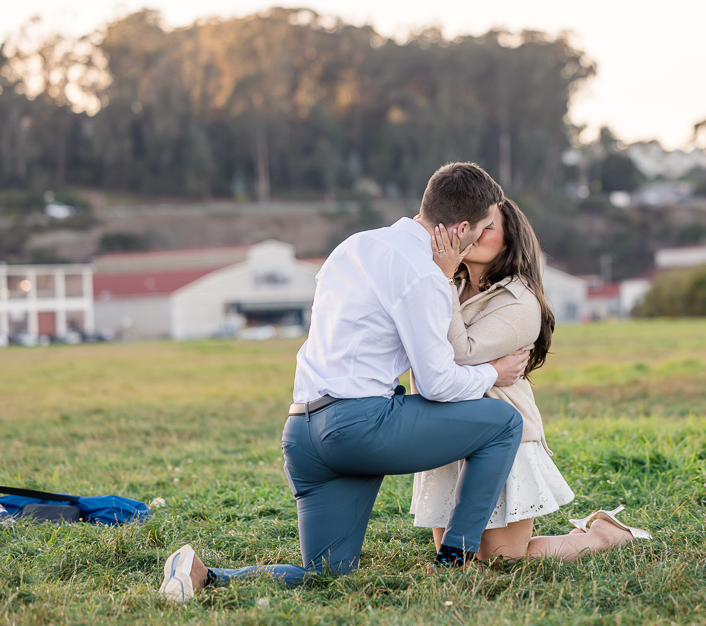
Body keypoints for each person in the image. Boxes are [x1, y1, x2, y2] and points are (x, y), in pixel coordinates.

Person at [159, 162, 531, 602]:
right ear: (463, 227)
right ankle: (458, 558)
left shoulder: (354, 245)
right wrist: (494, 372)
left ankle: (203, 575)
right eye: (485, 226)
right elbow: (435, 385)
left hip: (302, 432)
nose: (483, 235)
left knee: (327, 575)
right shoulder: (423, 275)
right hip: (357, 427)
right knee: (504, 422)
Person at [410, 199, 651, 561]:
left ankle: (603, 535)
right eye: (472, 223)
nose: (475, 231)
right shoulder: (450, 283)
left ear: (509, 241)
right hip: (446, 430)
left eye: (488, 226)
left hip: (502, 435)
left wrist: (440, 279)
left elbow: (458, 355)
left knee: (503, 557)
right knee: (459, 557)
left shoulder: (519, 301)